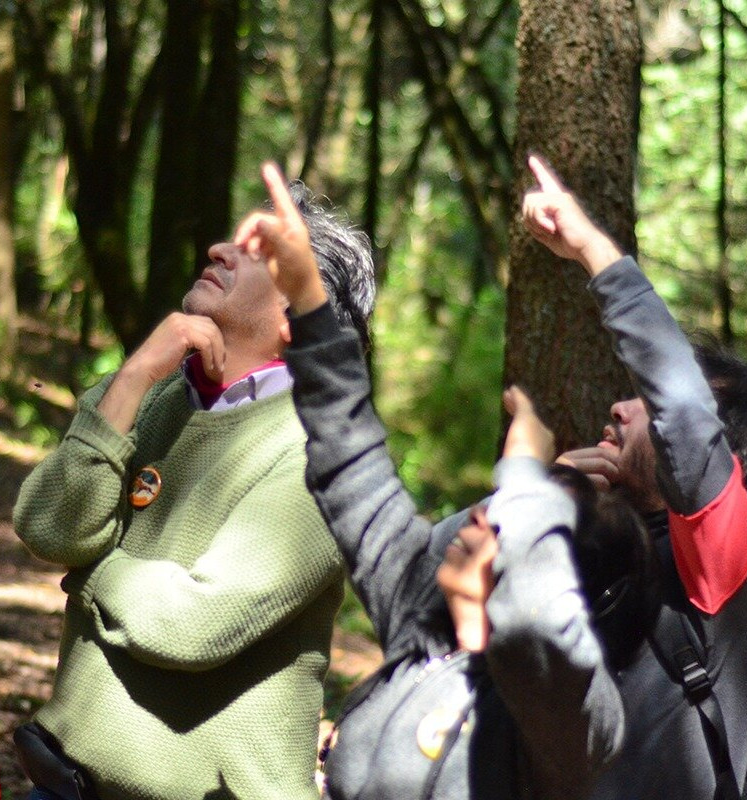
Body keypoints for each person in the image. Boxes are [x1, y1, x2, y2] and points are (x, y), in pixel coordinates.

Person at [234, 162, 654, 800]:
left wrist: (525, 475)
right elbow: (353, 465)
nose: (482, 517)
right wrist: (311, 301)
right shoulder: (423, 621)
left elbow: (540, 626)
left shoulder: (569, 724)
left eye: (511, 526)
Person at [10, 181, 376, 800]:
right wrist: (132, 376)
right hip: (67, 780)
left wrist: (91, 568)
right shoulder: (153, 391)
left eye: (253, 250)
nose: (218, 250)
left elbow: (192, 623)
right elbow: (49, 527)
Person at [521, 154, 747, 800]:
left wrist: (591, 249)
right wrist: (537, 503)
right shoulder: (599, 537)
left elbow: (681, 406)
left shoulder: (724, 566)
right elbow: (434, 574)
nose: (620, 408)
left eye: (642, 403)